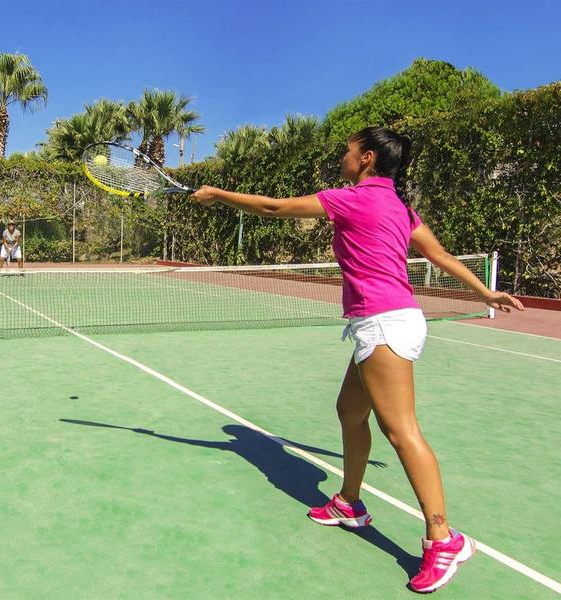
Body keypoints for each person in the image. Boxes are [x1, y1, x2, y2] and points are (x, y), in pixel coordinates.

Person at [191, 126, 524, 594]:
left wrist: (218, 194)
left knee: (401, 431)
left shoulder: (352, 198)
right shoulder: (400, 206)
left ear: (366, 159)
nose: (343, 159)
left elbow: (273, 208)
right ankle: (350, 502)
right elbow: (440, 255)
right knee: (350, 411)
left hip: (384, 323)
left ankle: (444, 538)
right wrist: (485, 291)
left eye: (348, 152)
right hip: (386, 320)